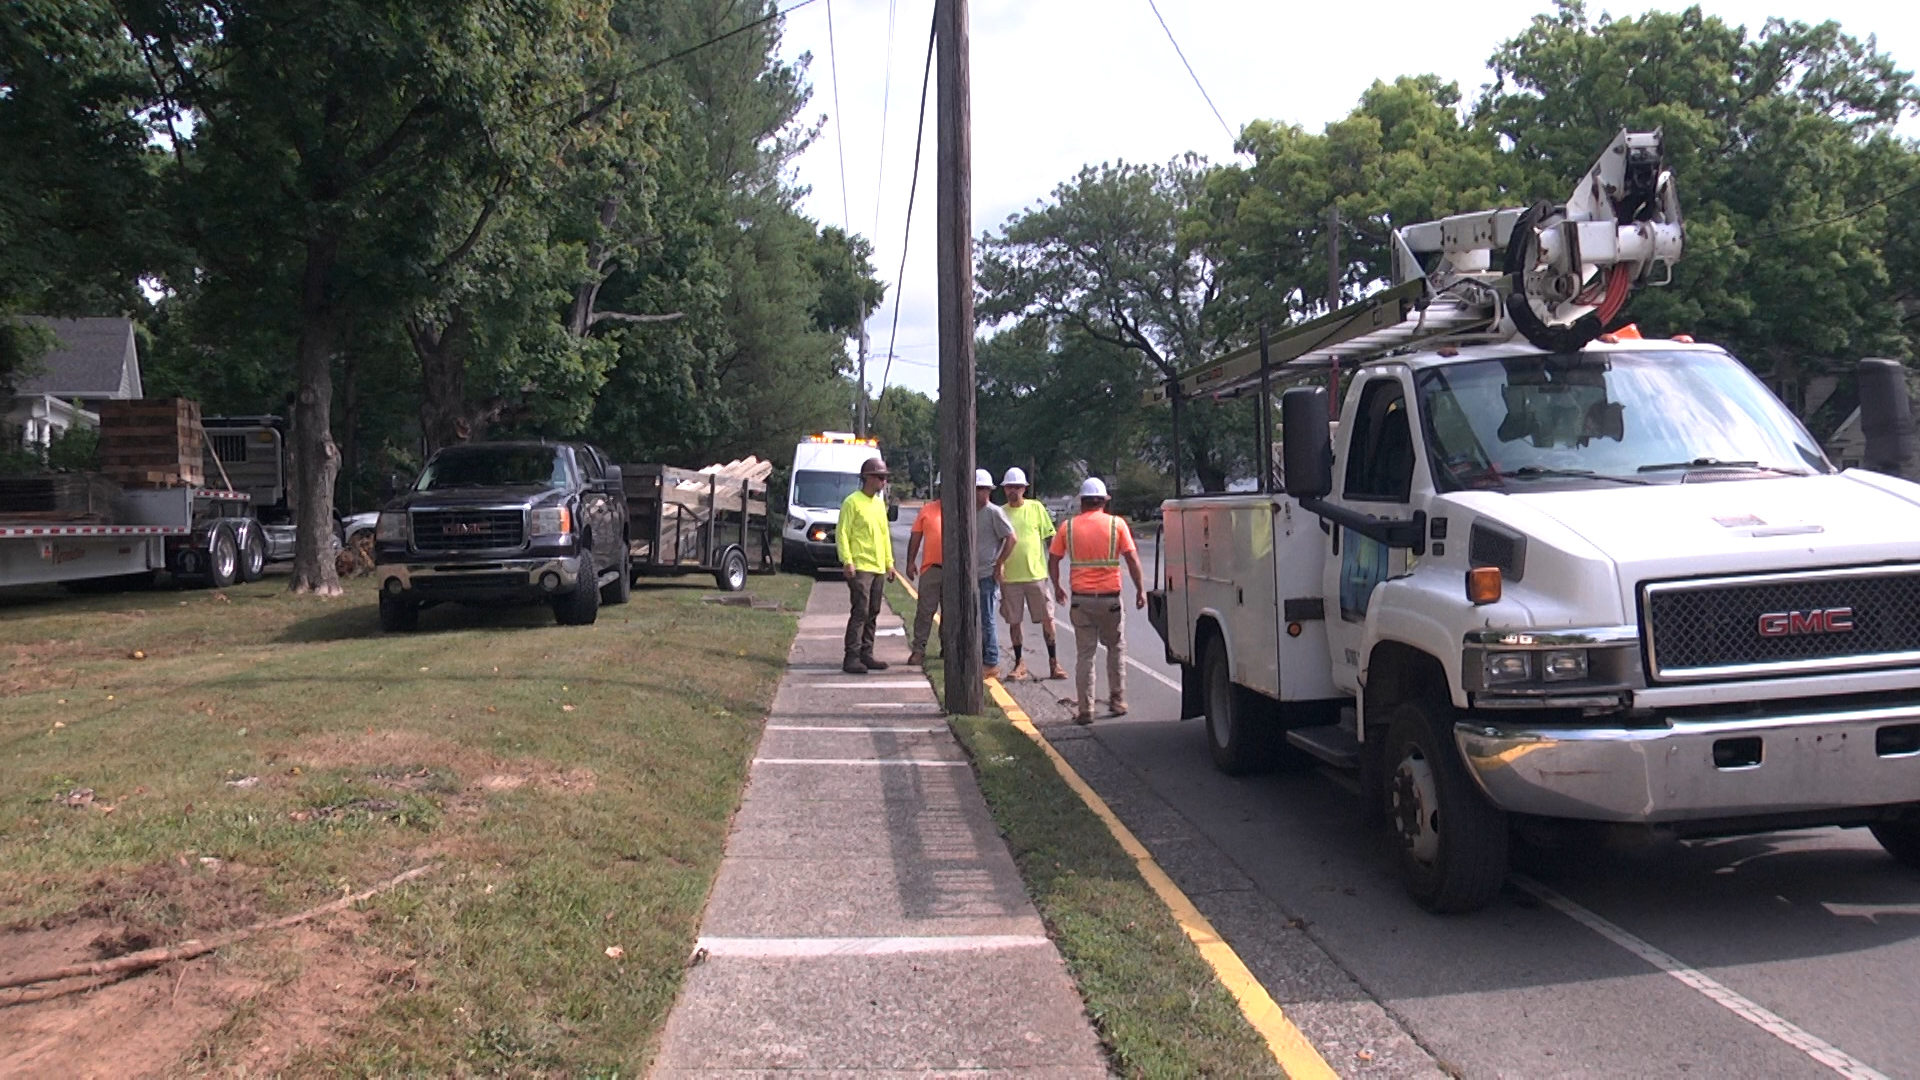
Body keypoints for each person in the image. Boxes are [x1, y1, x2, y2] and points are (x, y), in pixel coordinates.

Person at [1048, 477, 1146, 724]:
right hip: (1110, 599)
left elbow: (1054, 560)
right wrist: (1140, 590)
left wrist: (1058, 586)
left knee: (1085, 654)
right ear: (1103, 502)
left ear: (1082, 502)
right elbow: (1132, 560)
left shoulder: (1067, 527)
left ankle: (1085, 710)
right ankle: (1118, 700)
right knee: (1116, 647)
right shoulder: (1117, 525)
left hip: (1081, 600)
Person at [998, 467, 1065, 682]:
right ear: (1004, 489)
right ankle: (1019, 663)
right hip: (1010, 577)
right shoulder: (1000, 512)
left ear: (1024, 489)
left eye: (1017, 487)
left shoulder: (1036, 508)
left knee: (1047, 618)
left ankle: (1054, 663)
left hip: (1036, 575)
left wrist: (1055, 570)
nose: (1013, 491)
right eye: (1009, 487)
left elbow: (1049, 539)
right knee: (1014, 621)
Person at [836, 457, 896, 675]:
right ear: (867, 477)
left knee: (873, 611)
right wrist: (847, 560)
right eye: (880, 477)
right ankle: (851, 656)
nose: (883, 482)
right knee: (860, 610)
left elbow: (884, 535)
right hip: (861, 566)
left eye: (885, 478)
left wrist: (889, 563)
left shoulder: (879, 505)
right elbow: (842, 533)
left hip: (878, 566)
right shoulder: (852, 502)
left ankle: (866, 654)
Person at [972, 468, 1016, 679]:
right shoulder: (969, 512)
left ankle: (991, 661)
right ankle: (978, 656)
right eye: (978, 489)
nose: (982, 493)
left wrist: (999, 563)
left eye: (985, 489)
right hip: (971, 573)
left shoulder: (993, 512)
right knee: (974, 617)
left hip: (986, 573)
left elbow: (1011, 538)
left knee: (987, 617)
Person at [903, 479, 942, 666]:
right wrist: (910, 562)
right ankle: (919, 649)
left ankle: (948, 648)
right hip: (931, 568)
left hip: (955, 571)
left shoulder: (962, 508)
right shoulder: (928, 510)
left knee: (952, 614)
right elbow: (916, 535)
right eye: (942, 486)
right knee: (925, 611)